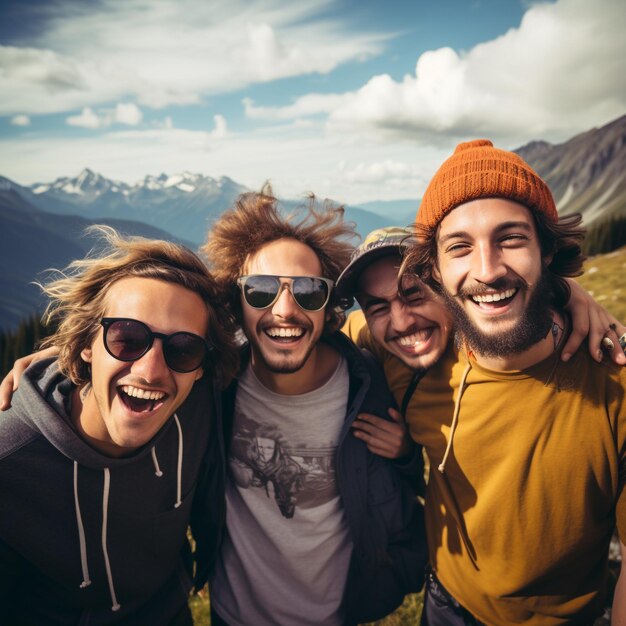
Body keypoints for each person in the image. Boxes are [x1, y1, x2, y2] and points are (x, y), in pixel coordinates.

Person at [398, 140, 625, 625]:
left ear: (547, 252)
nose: (487, 269)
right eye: (460, 247)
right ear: (435, 272)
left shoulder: (615, 383)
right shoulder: (415, 354)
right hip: (445, 605)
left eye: (512, 239)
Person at [200, 187, 426, 626]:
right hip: (231, 616)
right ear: (235, 300)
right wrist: (53, 361)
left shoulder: (375, 386)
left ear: (331, 308)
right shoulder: (211, 384)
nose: (285, 310)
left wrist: (406, 453)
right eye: (261, 290)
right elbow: (144, 351)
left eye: (308, 291)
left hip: (336, 615)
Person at [0, 226, 238, 625]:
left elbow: (283, 337)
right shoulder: (11, 461)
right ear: (85, 345)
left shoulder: (198, 401)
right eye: (127, 338)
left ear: (201, 368)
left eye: (183, 349)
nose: (151, 371)